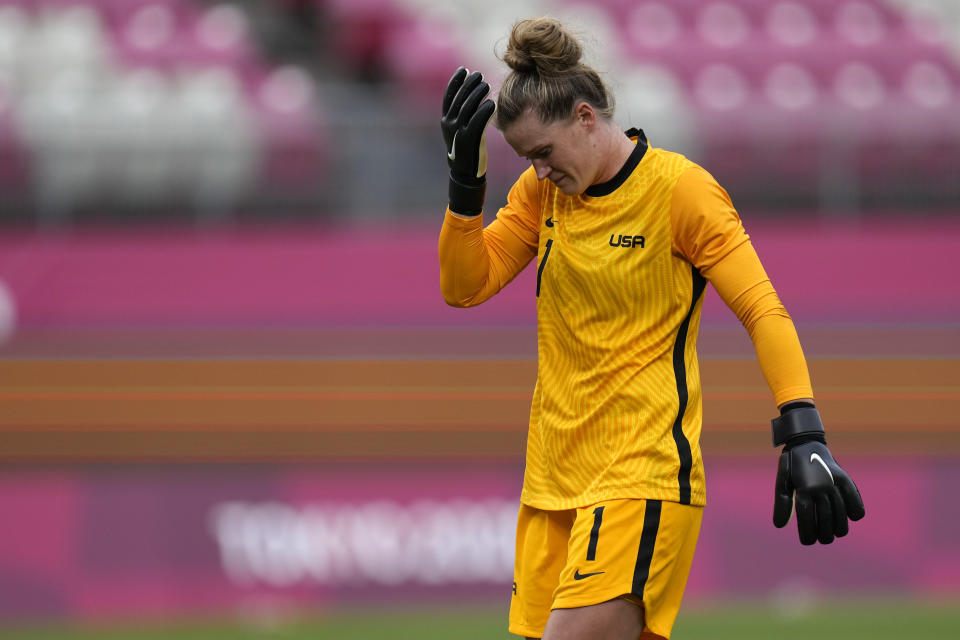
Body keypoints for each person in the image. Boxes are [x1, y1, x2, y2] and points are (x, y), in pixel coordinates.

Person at [437, 17, 864, 640]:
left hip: (642, 476)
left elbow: (761, 309)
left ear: (586, 117)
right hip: (553, 486)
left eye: (544, 153)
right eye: (527, 159)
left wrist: (803, 431)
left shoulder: (680, 192)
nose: (538, 170)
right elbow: (465, 285)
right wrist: (465, 189)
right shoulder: (541, 196)